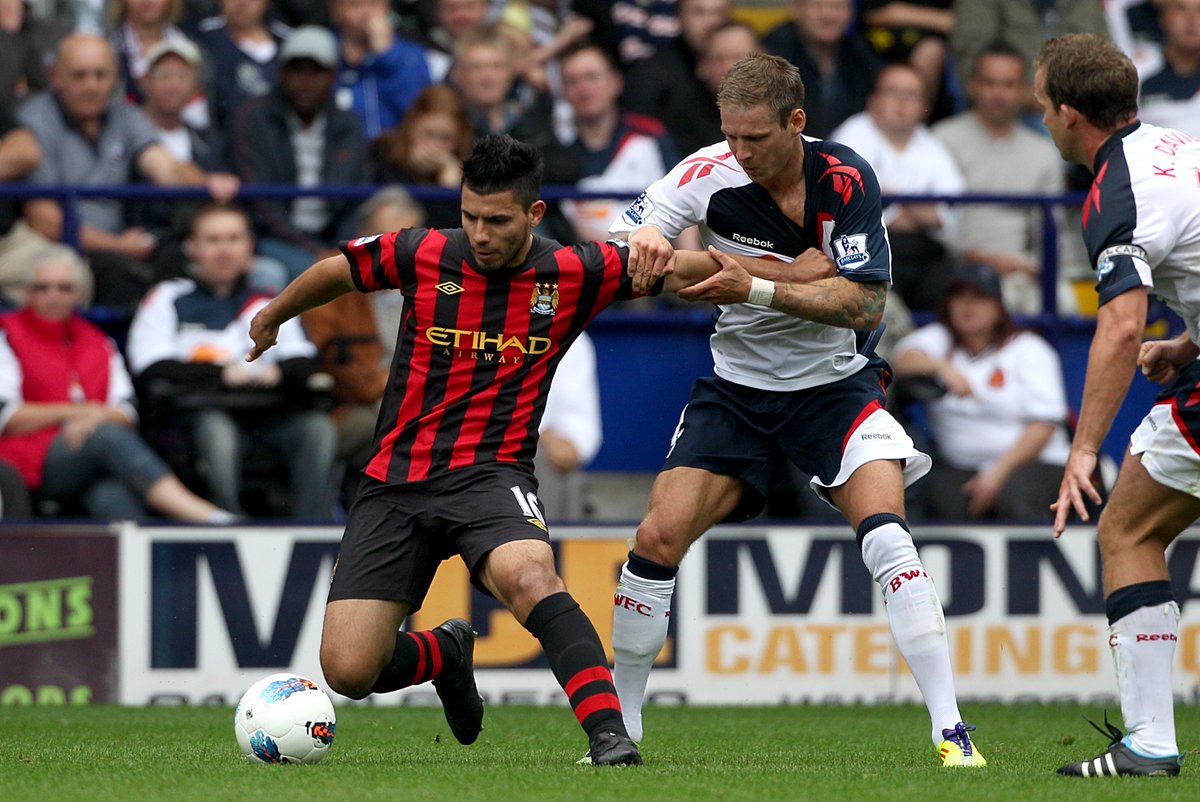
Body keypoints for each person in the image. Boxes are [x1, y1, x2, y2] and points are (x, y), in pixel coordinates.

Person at [244, 133, 833, 764]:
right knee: (348, 671)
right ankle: (447, 652)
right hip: (395, 480)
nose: (479, 233)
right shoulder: (422, 251)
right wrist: (274, 314)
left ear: (534, 214)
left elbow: (692, 267)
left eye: (496, 221)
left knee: (530, 575)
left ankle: (610, 736)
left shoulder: (575, 271)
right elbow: (341, 269)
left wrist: (789, 273)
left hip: (490, 475)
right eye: (469, 216)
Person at [606, 53, 985, 767]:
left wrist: (752, 284)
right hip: (736, 389)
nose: (739, 154)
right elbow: (629, 239)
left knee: (888, 538)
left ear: (797, 122)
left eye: (755, 139)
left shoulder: (846, 177)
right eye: (731, 137)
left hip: (833, 386)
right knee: (655, 539)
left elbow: (863, 301)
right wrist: (647, 239)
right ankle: (621, 730)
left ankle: (952, 730)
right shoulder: (705, 170)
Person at [1042, 33, 1192, 779]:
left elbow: (1122, 324)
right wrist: (1190, 345)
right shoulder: (1179, 147)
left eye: (1043, 105)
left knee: (1127, 527)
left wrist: (1081, 448)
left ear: (1069, 114)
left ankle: (1149, 743)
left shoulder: (1115, 193)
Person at [125, 202, 338, 520]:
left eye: (233, 239)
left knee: (318, 429)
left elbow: (303, 362)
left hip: (269, 418)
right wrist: (221, 374)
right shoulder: (166, 298)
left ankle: (314, 529)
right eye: (213, 240)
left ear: (249, 246)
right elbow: (151, 365)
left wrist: (277, 373)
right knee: (217, 430)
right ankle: (229, 527)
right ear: (192, 247)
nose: (224, 251)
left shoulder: (269, 300)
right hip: (198, 418)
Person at [0, 246, 235, 523]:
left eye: (64, 288)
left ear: (78, 294)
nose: (53, 296)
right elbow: (8, 416)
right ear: (27, 293)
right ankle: (208, 517)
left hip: (90, 461)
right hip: (26, 462)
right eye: (42, 288)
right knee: (107, 437)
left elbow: (126, 410)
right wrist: (83, 414)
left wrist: (92, 418)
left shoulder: (98, 341)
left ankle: (144, 563)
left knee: (112, 495)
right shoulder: (7, 332)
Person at [19, 34, 239, 309]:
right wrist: (116, 245)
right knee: (115, 270)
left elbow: (165, 168)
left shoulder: (125, 114)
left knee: (174, 257)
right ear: (57, 77)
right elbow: (44, 219)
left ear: (115, 78)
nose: (91, 85)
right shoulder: (35, 119)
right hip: (54, 247)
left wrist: (207, 181)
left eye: (101, 75)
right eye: (80, 76)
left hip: (119, 242)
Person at [892, 263, 1072, 520]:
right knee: (939, 496)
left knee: (1018, 496)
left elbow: (1044, 424)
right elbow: (900, 361)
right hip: (962, 466)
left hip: (1037, 462)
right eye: (959, 297)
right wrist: (941, 367)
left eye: (979, 297)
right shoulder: (939, 339)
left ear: (998, 307)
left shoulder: (1028, 349)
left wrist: (996, 475)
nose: (967, 306)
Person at [931, 43, 1066, 316]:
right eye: (990, 83)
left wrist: (1036, 268)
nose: (999, 93)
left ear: (1026, 90)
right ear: (972, 85)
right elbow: (932, 222)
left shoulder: (1043, 153)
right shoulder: (941, 140)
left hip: (1021, 273)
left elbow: (1051, 232)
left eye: (1008, 84)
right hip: (954, 271)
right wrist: (977, 258)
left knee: (1064, 302)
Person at [226, 25, 369, 284]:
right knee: (311, 273)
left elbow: (354, 197)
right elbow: (261, 202)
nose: (305, 82)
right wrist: (316, 251)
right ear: (281, 73)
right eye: (297, 71)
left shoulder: (350, 124)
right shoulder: (253, 117)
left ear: (333, 76)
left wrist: (344, 247)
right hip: (269, 237)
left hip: (334, 237)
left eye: (316, 72)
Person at [830, 63, 966, 312]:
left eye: (912, 95)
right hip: (868, 249)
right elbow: (852, 206)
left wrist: (893, 200)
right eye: (893, 92)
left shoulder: (932, 145)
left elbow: (947, 213)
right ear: (873, 99)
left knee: (954, 286)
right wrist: (918, 207)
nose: (902, 103)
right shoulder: (852, 135)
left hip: (926, 250)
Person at [763, 0, 884, 139]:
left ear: (851, 13)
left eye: (837, 7)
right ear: (796, 9)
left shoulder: (863, 55)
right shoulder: (773, 54)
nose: (828, 15)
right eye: (817, 6)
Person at [329, 0, 432, 140]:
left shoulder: (411, 55)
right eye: (355, 5)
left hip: (396, 152)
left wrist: (386, 55)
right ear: (336, 11)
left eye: (373, 4)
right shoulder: (324, 54)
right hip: (341, 152)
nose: (366, 13)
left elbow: (416, 112)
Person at [1138, 0, 1200, 138]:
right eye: (1181, 9)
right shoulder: (1137, 71)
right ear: (1163, 17)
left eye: (1199, 10)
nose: (1192, 19)